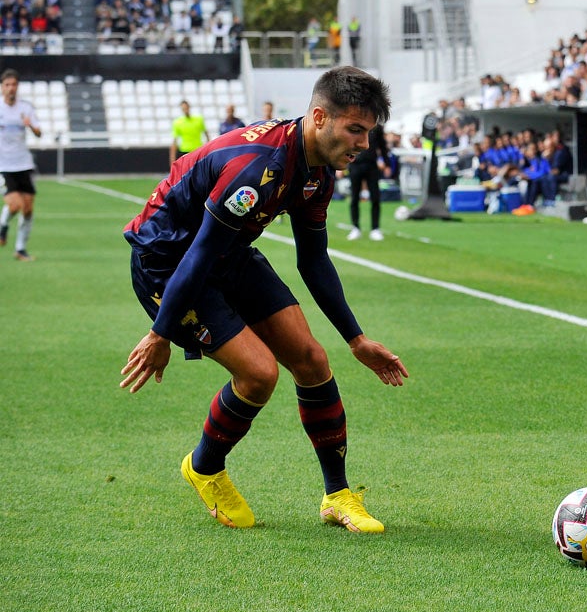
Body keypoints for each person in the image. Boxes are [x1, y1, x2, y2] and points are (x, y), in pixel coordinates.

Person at [119, 66, 408, 532]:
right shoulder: (256, 170)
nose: (363, 144)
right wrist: (161, 333)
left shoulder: (319, 173)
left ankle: (338, 496)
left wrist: (356, 339)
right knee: (258, 374)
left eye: (369, 133)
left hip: (226, 250)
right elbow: (198, 255)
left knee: (313, 361)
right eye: (356, 129)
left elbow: (313, 261)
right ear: (319, 117)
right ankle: (204, 467)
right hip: (169, 262)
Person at [0, 69, 42, 261]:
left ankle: (20, 249)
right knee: (15, 205)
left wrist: (30, 125)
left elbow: (39, 133)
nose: (11, 88)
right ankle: (3, 225)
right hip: (3, 165)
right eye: (7, 85)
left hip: (23, 164)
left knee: (28, 209)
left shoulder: (25, 107)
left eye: (14, 84)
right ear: (2, 87)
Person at [344, 124, 391, 241]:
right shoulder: (354, 124)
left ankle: (375, 228)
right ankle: (355, 227)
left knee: (375, 197)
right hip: (355, 165)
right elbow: (345, 144)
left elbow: (382, 146)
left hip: (372, 165)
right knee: (354, 197)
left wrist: (387, 163)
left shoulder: (376, 127)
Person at [170, 100, 209, 165]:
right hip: (185, 152)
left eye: (186, 108)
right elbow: (174, 141)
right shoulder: (177, 122)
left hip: (198, 151)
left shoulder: (199, 119)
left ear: (189, 107)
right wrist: (172, 159)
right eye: (183, 108)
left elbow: (206, 135)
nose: (185, 110)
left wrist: (207, 150)